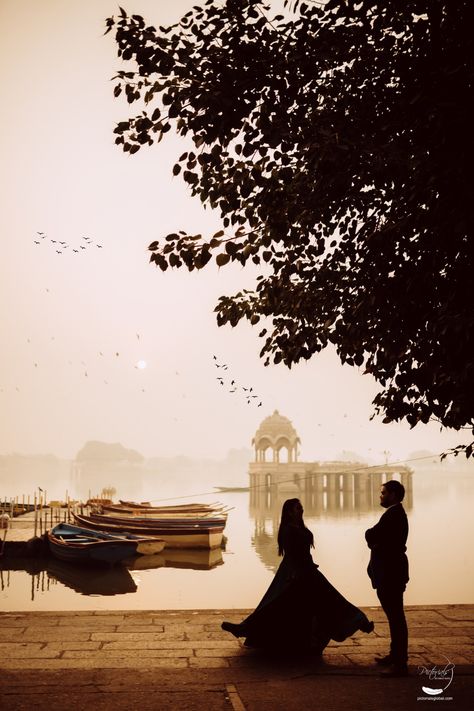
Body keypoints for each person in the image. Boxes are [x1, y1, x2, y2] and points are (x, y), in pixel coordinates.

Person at [222, 498, 374, 654]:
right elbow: (293, 554)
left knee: (323, 602)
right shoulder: (288, 530)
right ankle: (245, 628)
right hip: (297, 571)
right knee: (278, 604)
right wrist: (295, 573)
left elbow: (303, 552)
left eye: (301, 508)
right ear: (289, 512)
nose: (301, 510)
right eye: (298, 508)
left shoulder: (299, 527)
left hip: (306, 570)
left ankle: (358, 623)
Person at [365, 480, 409, 677]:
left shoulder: (393, 516)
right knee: (394, 617)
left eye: (383, 493)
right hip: (391, 571)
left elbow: (371, 534)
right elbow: (375, 537)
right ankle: (395, 655)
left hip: (390, 573)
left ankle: (400, 663)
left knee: (396, 617)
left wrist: (372, 538)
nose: (381, 496)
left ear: (393, 494)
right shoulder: (395, 514)